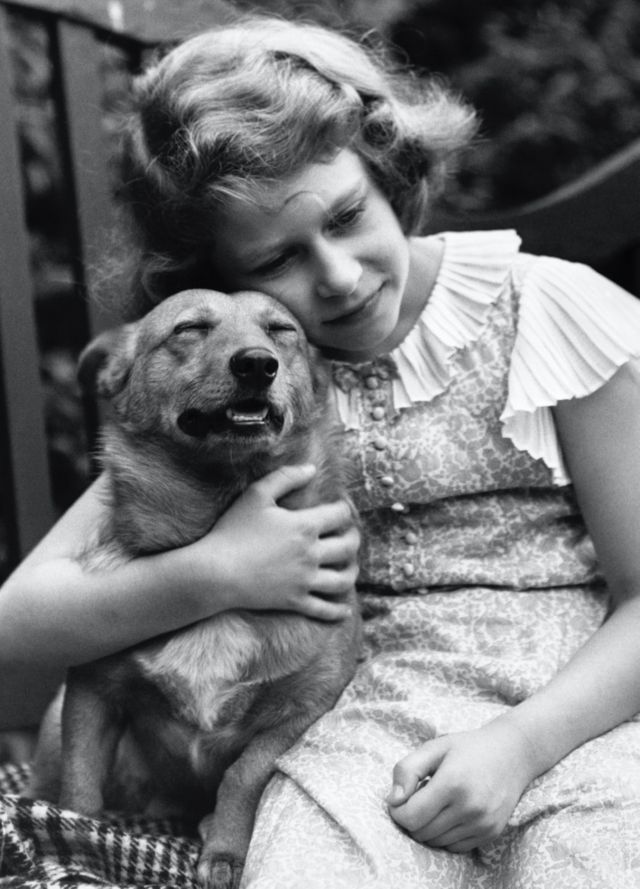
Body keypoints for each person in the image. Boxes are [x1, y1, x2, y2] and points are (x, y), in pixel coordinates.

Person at [2, 13, 640, 889]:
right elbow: (20, 618)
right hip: (356, 725)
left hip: (574, 711)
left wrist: (522, 744)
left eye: (347, 215)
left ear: (390, 173)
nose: (336, 277)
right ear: (216, 273)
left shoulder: (547, 313)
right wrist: (216, 571)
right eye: (276, 259)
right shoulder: (250, 388)